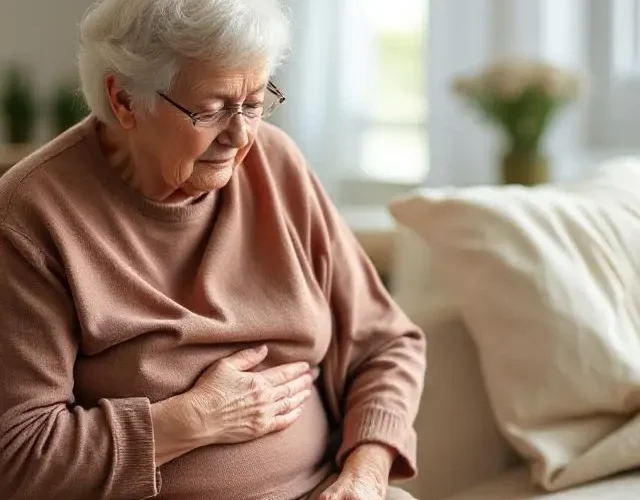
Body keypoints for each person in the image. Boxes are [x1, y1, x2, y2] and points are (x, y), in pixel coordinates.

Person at [0, 1, 426, 499]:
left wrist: (365, 474)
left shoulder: (278, 166)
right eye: (213, 108)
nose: (242, 134)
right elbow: (18, 456)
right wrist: (194, 418)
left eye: (254, 101)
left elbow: (386, 344)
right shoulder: (32, 215)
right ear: (125, 101)